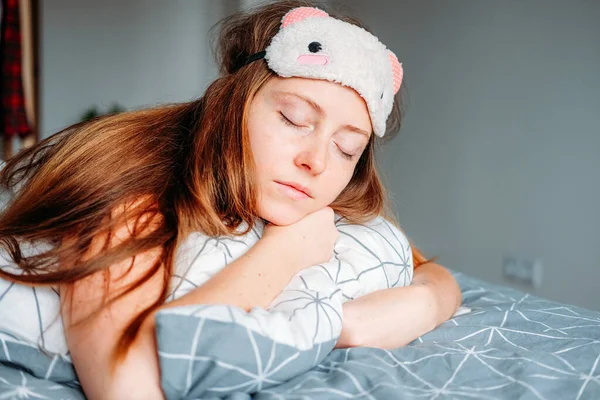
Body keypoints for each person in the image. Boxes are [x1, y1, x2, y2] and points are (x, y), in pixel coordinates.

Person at [0, 1, 461, 398]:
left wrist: (410, 306)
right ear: (233, 103)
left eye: (347, 148)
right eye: (293, 118)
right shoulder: (131, 187)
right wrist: (285, 253)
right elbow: (127, 384)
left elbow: (432, 271)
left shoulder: (318, 202)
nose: (317, 161)